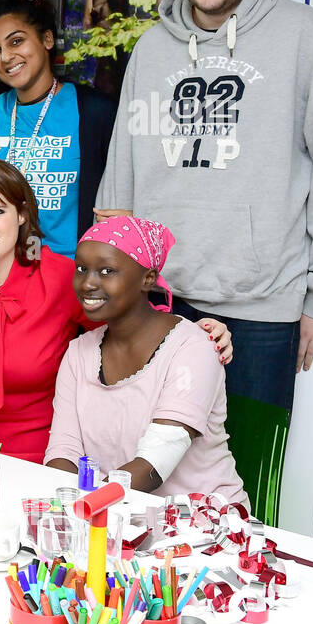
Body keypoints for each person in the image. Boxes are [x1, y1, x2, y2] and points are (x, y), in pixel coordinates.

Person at [95, 0, 313, 416]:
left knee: (246, 479)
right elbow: (121, 177)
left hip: (262, 310)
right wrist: (116, 286)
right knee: (157, 469)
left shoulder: (303, 36)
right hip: (161, 303)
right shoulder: (153, 48)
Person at [0, 159, 231, 463]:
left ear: (22, 214)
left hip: (56, 457)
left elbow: (130, 329)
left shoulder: (61, 277)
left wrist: (191, 335)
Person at [45, 217, 249, 508]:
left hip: (201, 525)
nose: (88, 283)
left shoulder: (193, 348)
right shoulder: (78, 353)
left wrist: (86, 507)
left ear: (148, 278)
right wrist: (70, 508)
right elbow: (63, 450)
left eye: (107, 271)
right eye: (81, 269)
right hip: (115, 517)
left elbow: (156, 461)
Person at [0, 0, 115, 258]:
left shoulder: (93, 111)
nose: (6, 57)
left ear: (47, 39)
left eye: (16, 41)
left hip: (68, 275)